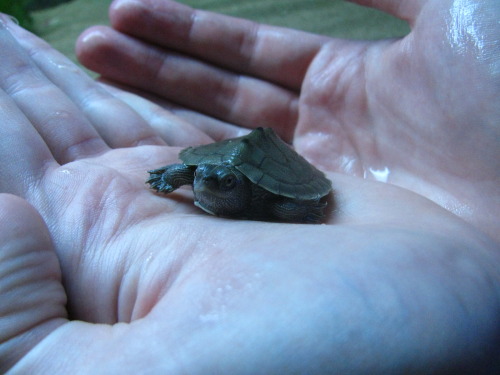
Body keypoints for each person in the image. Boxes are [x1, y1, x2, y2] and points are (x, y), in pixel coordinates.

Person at [0, 0, 498, 373]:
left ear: (240, 186)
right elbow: (193, 171)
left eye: (222, 182)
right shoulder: (202, 175)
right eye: (207, 179)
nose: (211, 183)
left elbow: (307, 200)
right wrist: (173, 175)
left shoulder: (265, 197)